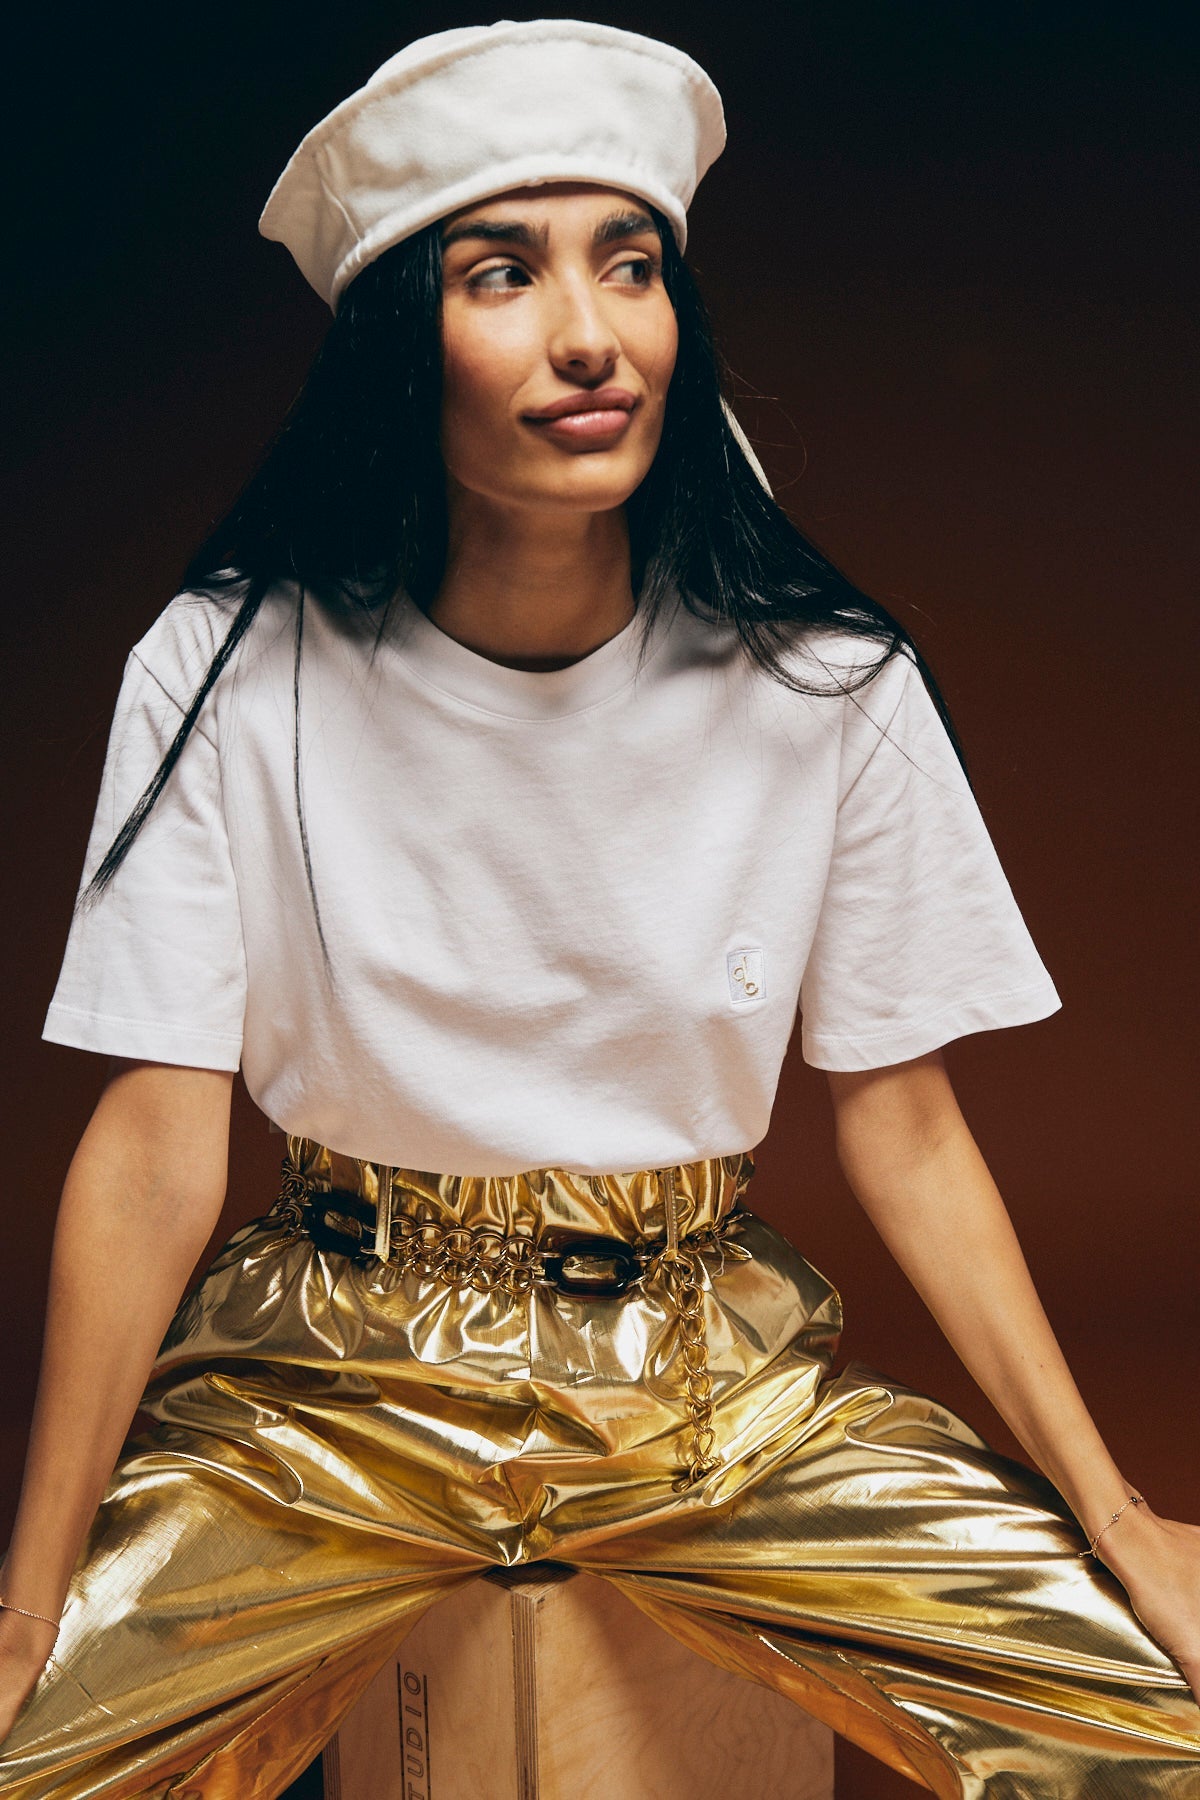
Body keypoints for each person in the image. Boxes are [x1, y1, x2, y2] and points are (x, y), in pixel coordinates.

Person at [1, 19, 1197, 1798]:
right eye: (504, 272)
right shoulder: (228, 667)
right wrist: (28, 1604)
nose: (591, 335)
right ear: (399, 341)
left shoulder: (827, 681)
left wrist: (1118, 1514)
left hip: (707, 1387)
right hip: (321, 1389)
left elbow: (909, 1124)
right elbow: (159, 1145)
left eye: (629, 267)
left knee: (1164, 1732)